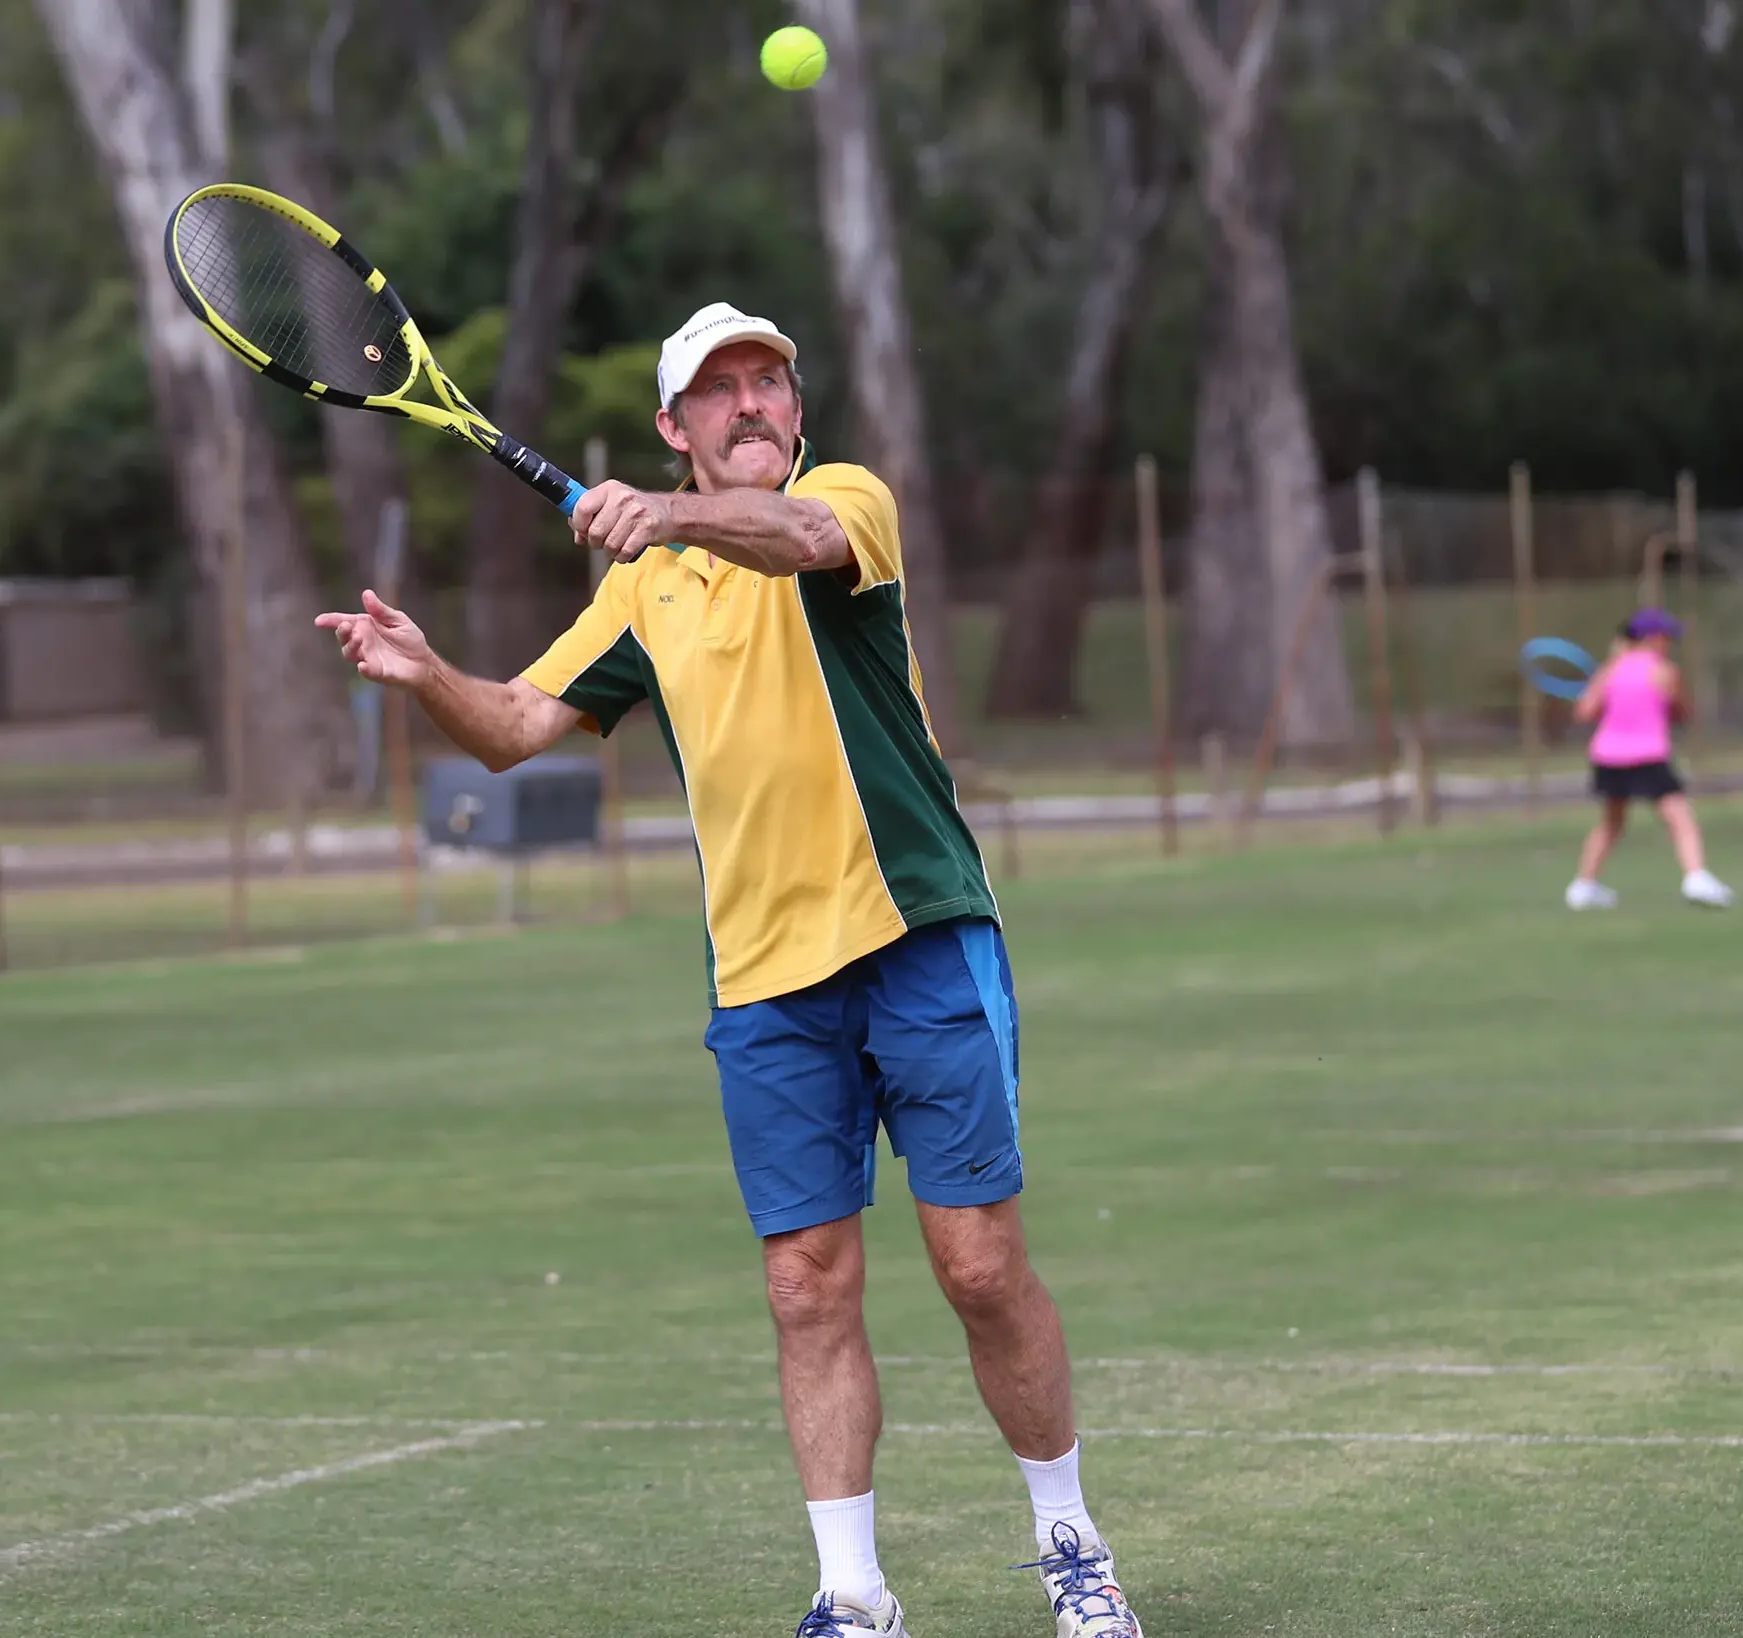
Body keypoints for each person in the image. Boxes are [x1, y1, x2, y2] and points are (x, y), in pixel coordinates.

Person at [315, 303, 1140, 1638]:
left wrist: (668, 512)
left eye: (770, 383)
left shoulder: (842, 505)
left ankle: (1071, 1542)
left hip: (918, 933)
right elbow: (519, 724)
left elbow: (797, 541)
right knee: (806, 1281)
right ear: (676, 425)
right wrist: (424, 676)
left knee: (980, 1268)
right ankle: (853, 1593)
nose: (752, 403)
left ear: (796, 415)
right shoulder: (645, 587)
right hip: (765, 982)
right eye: (720, 390)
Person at [1564, 608, 1735, 911]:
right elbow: (1682, 712)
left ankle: (1582, 886)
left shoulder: (1610, 670)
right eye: (1666, 636)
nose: (1669, 642)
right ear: (1651, 638)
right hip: (1647, 754)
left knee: (1612, 823)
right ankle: (1696, 877)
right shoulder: (1664, 670)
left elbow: (1584, 712)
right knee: (1680, 818)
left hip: (1608, 756)